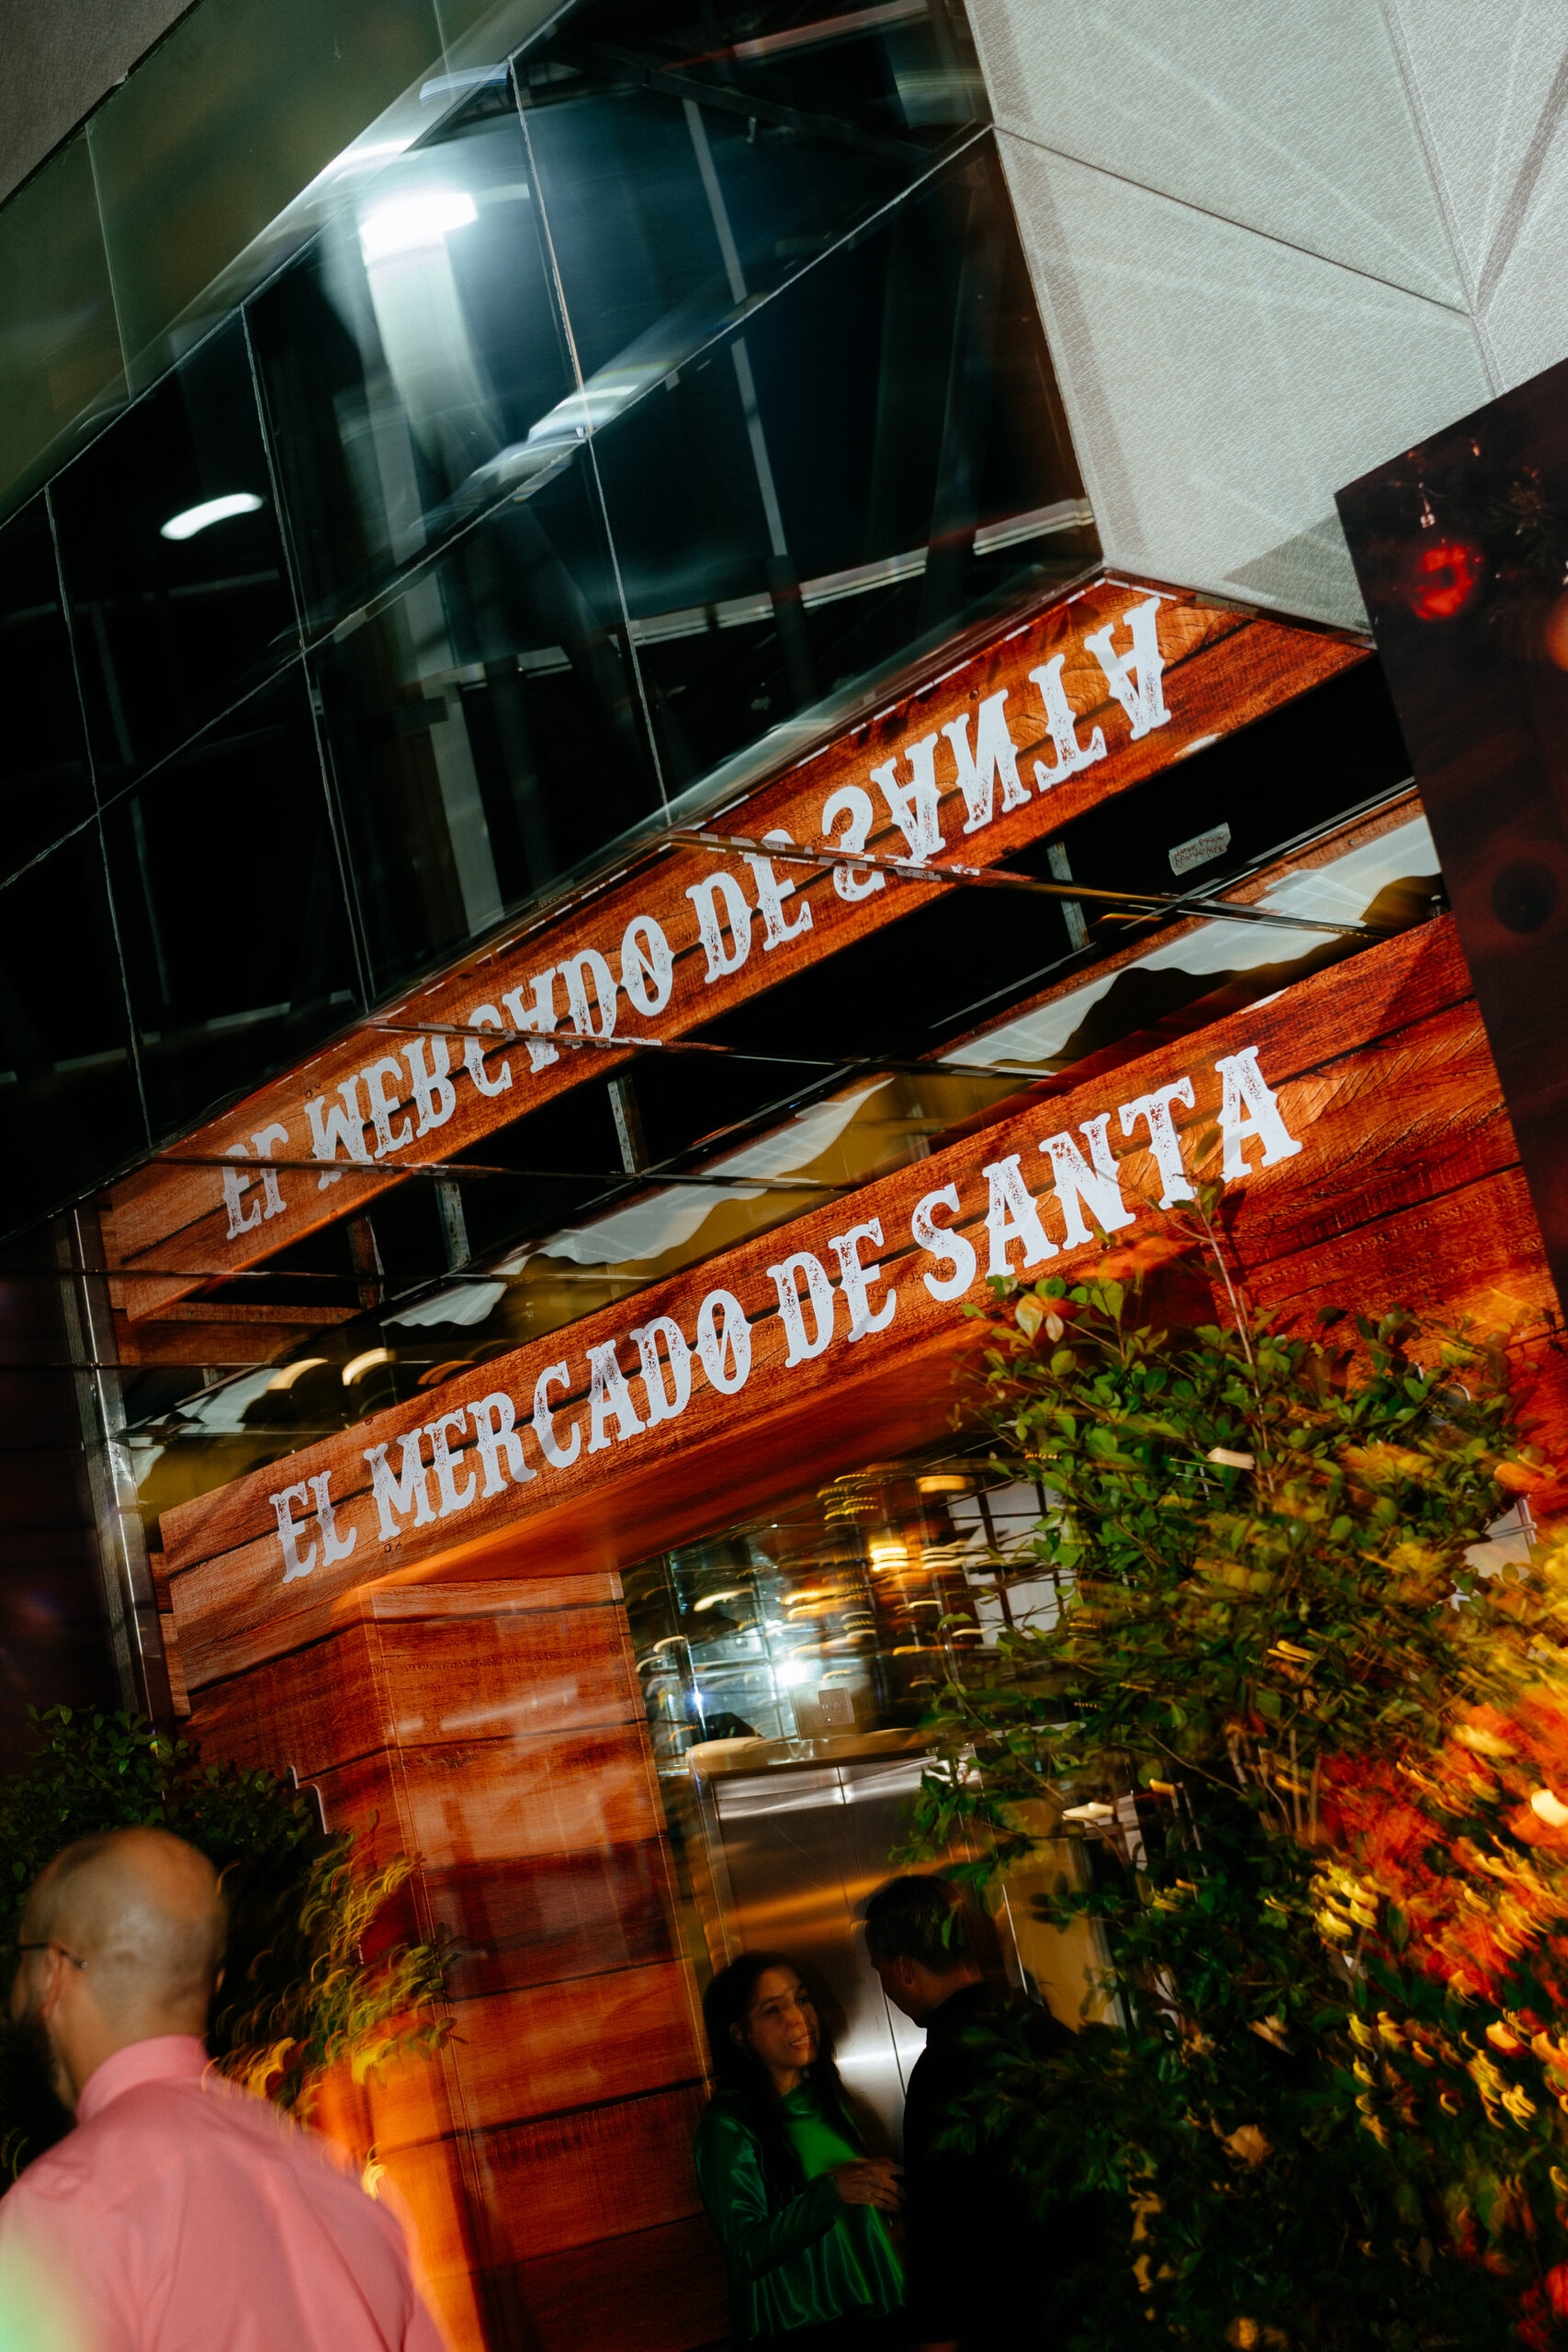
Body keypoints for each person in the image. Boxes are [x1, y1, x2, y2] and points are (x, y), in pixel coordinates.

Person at [0, 1825, 446, 2352]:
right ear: (212, 1982)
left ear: (52, 1971)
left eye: (20, 1958)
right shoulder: (349, 2192)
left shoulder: (61, 2212)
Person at [864, 1874, 1088, 2352]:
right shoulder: (1047, 2031)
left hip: (1014, 2325)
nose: (888, 1988)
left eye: (881, 1971)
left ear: (904, 1968)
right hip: (1098, 2307)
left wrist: (934, 2337)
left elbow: (941, 2234)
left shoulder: (941, 2071)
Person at [694, 1951, 905, 2352]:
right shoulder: (729, 2124)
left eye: (802, 1999)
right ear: (740, 2034)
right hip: (801, 2328)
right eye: (773, 2009)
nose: (798, 2018)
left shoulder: (826, 2100)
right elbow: (746, 2253)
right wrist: (833, 2192)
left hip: (875, 2312)